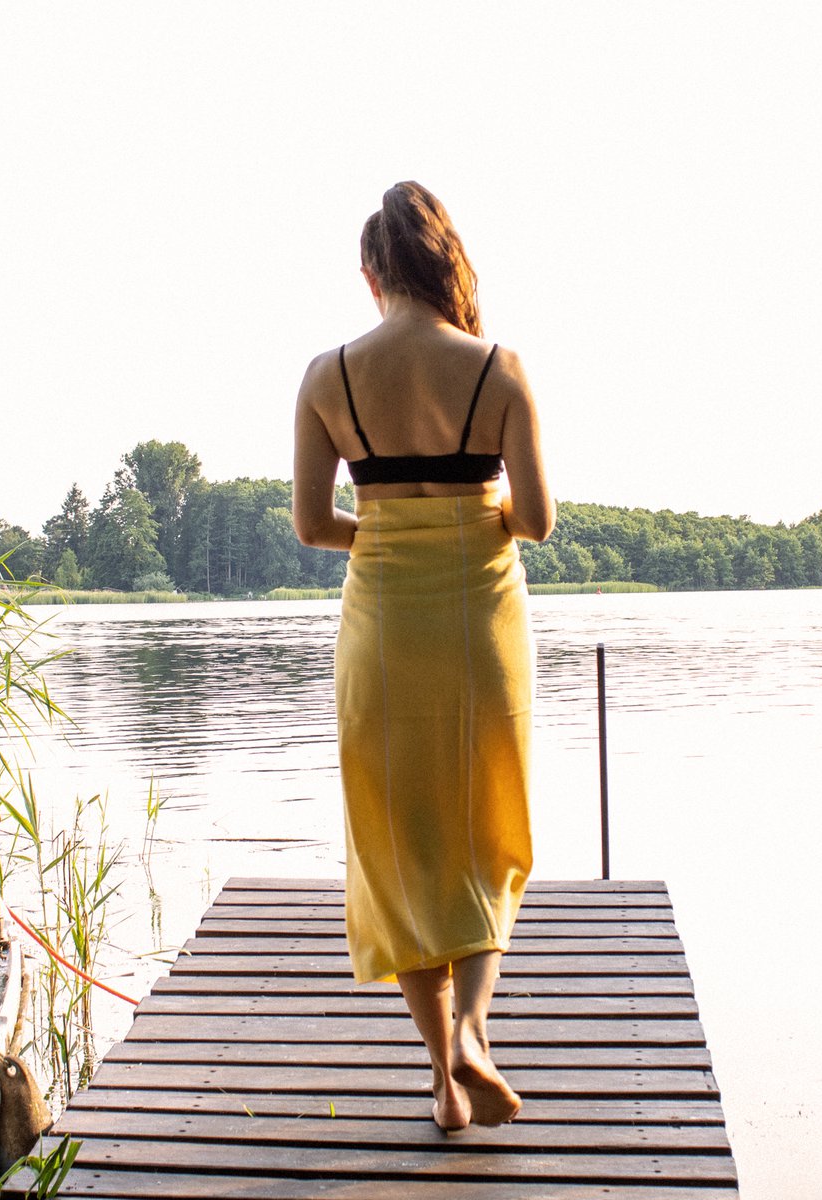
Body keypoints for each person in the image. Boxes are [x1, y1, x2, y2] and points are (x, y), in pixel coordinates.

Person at [293, 181, 555, 1132]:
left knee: (400, 846)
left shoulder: (328, 376)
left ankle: (443, 1082)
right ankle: (477, 1032)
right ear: (446, 262)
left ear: (372, 274)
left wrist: (390, 525)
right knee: (488, 833)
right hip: (481, 618)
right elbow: (535, 519)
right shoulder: (499, 368)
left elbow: (314, 523)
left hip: (383, 628)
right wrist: (466, 510)